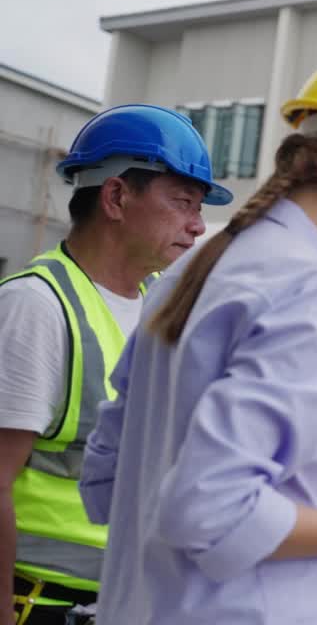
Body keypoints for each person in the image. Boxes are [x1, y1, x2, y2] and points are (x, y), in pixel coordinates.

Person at [75, 47, 317, 623]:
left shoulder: (191, 271)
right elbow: (209, 507)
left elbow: (109, 476)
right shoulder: (313, 291)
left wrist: (302, 589)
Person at [1, 104, 227, 625]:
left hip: (128, 601)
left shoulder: (160, 308)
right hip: (41, 604)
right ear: (117, 197)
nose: (198, 226)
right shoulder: (37, 306)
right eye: (183, 203)